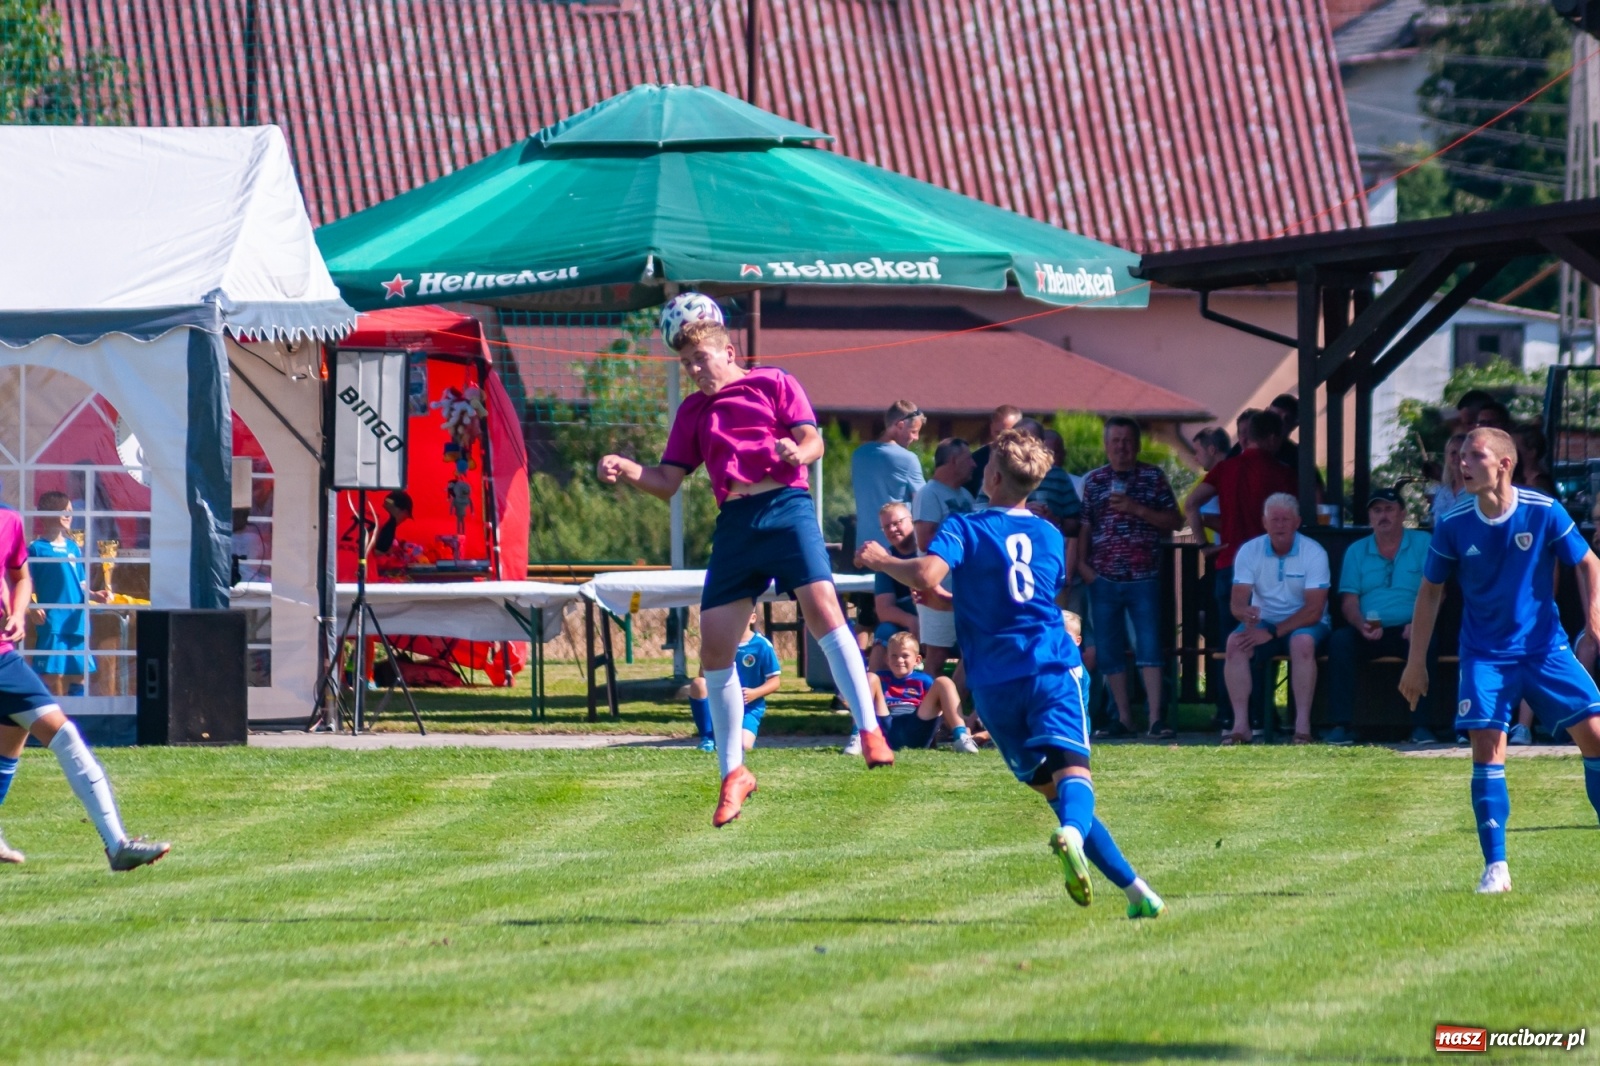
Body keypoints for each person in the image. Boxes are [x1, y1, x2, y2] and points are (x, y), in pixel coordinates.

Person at [598, 295, 893, 828]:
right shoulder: (692, 411)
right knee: (714, 648)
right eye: (685, 363)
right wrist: (629, 467)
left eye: (700, 359)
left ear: (728, 350)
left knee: (824, 608)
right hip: (736, 523)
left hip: (785, 507)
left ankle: (869, 726)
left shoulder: (774, 382)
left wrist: (796, 454)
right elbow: (667, 483)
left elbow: (813, 440)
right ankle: (734, 772)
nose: (693, 370)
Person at [857, 430, 1165, 919]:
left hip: (995, 683)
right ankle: (1074, 837)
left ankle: (1136, 893)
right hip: (1049, 666)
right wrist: (943, 595)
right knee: (1075, 778)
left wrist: (881, 560)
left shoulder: (965, 527)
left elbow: (928, 578)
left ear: (993, 477)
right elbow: (1022, 601)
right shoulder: (1045, 533)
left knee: (1053, 789)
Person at [1401, 427, 1600, 894]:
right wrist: (1416, 662)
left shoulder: (1543, 510)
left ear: (1504, 464)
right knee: (1487, 748)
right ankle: (1496, 867)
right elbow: (1430, 592)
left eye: (1474, 455)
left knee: (1595, 737)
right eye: (1459, 456)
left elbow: (1589, 561)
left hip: (1546, 649)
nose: (1461, 464)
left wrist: (1593, 618)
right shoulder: (1453, 523)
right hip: (1485, 655)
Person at [0, 502, 169, 869]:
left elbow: (20, 574)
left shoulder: (8, 519)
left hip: (4, 658)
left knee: (58, 737)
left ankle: (117, 844)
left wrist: (17, 611)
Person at [1183, 410, 1299, 734]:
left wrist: (1204, 544)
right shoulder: (1282, 473)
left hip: (1228, 565)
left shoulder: (1225, 468)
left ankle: (1228, 716)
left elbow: (1191, 503)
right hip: (1267, 569)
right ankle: (1261, 715)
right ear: (1274, 438)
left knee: (1228, 645)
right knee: (1260, 640)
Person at [1078, 418, 1182, 739]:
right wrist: (1084, 568)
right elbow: (1085, 526)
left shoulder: (1152, 477)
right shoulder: (1094, 481)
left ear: (1137, 445)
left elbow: (1174, 520)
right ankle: (1123, 719)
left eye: (1127, 441)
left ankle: (1155, 719)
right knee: (1109, 650)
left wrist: (1137, 509)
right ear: (1107, 446)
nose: (1121, 447)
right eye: (1115, 441)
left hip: (1143, 578)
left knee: (1149, 647)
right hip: (1103, 578)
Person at [1326, 489, 1435, 744]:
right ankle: (1341, 725)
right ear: (1370, 516)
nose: (1383, 515)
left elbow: (1437, 594)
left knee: (1429, 642)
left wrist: (1420, 624)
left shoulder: (1423, 543)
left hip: (1412, 626)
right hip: (1370, 629)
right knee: (1340, 642)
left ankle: (1423, 727)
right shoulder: (1356, 550)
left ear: (1403, 513)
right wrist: (1359, 624)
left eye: (1389, 509)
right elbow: (1349, 601)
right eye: (1377, 510)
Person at [1222, 494, 1331, 746]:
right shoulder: (1249, 551)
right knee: (1235, 644)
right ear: (1264, 523)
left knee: (1302, 643)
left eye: (1286, 519)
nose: (1280, 525)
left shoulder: (1314, 552)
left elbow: (1314, 610)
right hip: (1265, 621)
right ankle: (1241, 727)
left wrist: (1272, 632)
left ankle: (1302, 728)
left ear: (1297, 522)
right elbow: (1236, 603)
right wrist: (1244, 613)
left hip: (1306, 622)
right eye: (1275, 519)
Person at [26, 492, 110, 697]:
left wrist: (94, 595)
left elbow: (79, 583)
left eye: (70, 512)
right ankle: (40, 722)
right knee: (51, 674)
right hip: (54, 621)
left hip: (77, 620)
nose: (69, 515)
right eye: (63, 511)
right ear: (46, 515)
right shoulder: (36, 549)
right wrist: (31, 605)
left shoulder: (73, 547)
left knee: (79, 673)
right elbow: (25, 583)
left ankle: (77, 720)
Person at [911, 438, 975, 677]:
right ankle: (927, 709)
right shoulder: (929, 494)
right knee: (937, 656)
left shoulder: (966, 496)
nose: (974, 465)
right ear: (953, 460)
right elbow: (925, 540)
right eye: (968, 458)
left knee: (971, 650)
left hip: (964, 588)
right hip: (937, 589)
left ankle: (954, 705)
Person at [687, 610, 781, 754]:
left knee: (743, 746)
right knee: (698, 684)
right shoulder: (719, 642)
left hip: (748, 707)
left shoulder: (761, 645)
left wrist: (754, 693)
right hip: (721, 703)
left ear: (752, 618)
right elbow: (703, 675)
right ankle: (708, 739)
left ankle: (727, 736)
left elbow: (775, 681)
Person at [867, 631, 978, 753]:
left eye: (905, 655)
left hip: (915, 724)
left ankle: (961, 736)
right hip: (886, 722)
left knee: (943, 682)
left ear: (917, 660)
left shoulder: (924, 680)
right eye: (894, 655)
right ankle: (858, 735)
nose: (899, 660)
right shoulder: (881, 678)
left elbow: (935, 711)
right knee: (870, 677)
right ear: (887, 659)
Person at [851, 400, 926, 547]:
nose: (916, 438)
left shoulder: (858, 455)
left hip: (864, 547)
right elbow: (924, 504)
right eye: (914, 432)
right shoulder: (908, 459)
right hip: (897, 548)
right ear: (900, 425)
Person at [868, 502, 920, 673]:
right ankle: (874, 691)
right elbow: (884, 609)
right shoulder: (885, 560)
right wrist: (911, 621)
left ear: (911, 521)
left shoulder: (928, 551)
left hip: (938, 617)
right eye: (887, 526)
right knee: (885, 632)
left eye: (897, 523)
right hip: (906, 624)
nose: (892, 529)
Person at [964, 404, 1023, 497]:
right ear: (991, 428)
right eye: (997, 432)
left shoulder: (1026, 461)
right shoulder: (976, 460)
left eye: (1007, 433)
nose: (1001, 438)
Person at [1429, 433, 1467, 526]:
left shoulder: (1478, 491)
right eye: (1453, 453)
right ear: (1446, 457)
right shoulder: (1442, 491)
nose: (1457, 457)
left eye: (1462, 453)